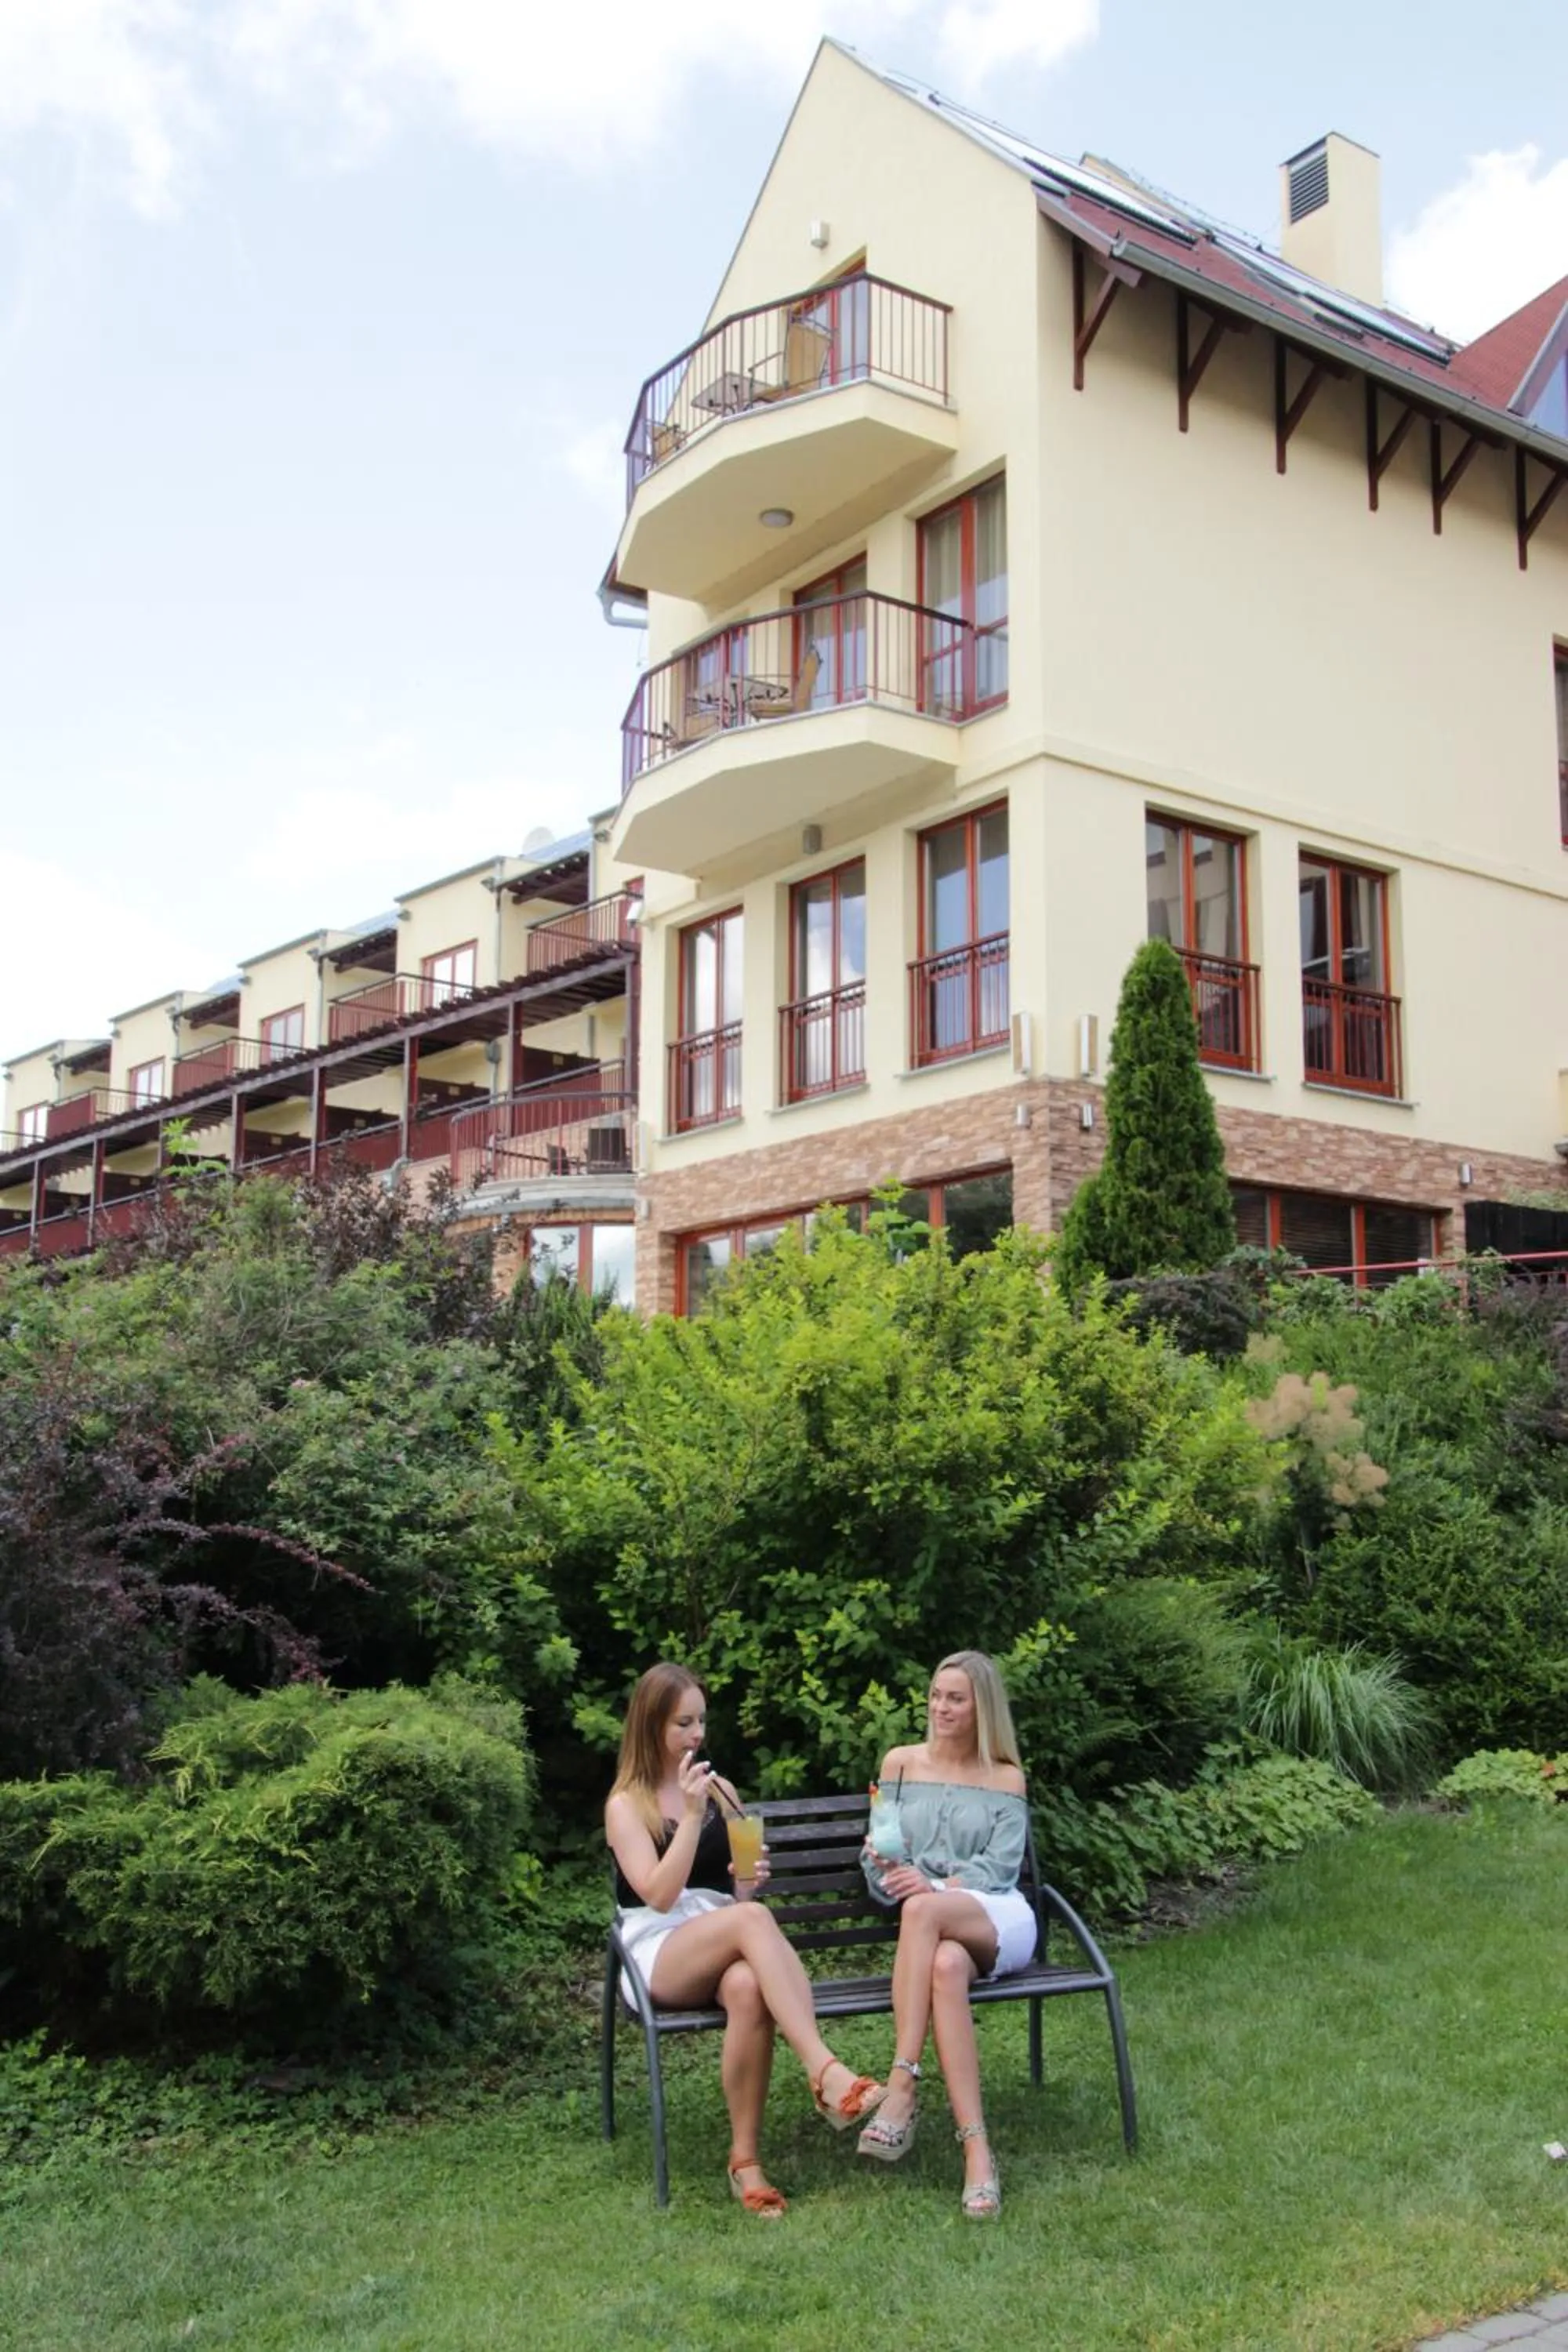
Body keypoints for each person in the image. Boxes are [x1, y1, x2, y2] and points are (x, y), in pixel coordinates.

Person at [605, 1661, 884, 2216]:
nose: (697, 1735)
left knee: (747, 1987)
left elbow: (740, 1903)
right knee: (751, 1927)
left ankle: (746, 2163)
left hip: (717, 1933)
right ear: (651, 1725)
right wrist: (689, 1818)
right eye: (684, 1723)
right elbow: (659, 1896)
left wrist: (748, 1883)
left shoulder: (722, 1791)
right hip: (656, 1951)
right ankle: (823, 2071)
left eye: (701, 1721)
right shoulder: (625, 1805)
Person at [857, 1650, 1035, 2218]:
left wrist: (934, 1888)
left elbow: (1001, 1870)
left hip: (997, 1915)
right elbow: (881, 1851)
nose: (941, 1707)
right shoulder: (900, 1764)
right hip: (937, 1930)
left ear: (982, 1707)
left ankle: (902, 2085)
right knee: (945, 1967)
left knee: (924, 1913)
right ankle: (977, 2154)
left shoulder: (1005, 1776)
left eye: (955, 1698)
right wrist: (892, 1872)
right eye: (936, 1695)